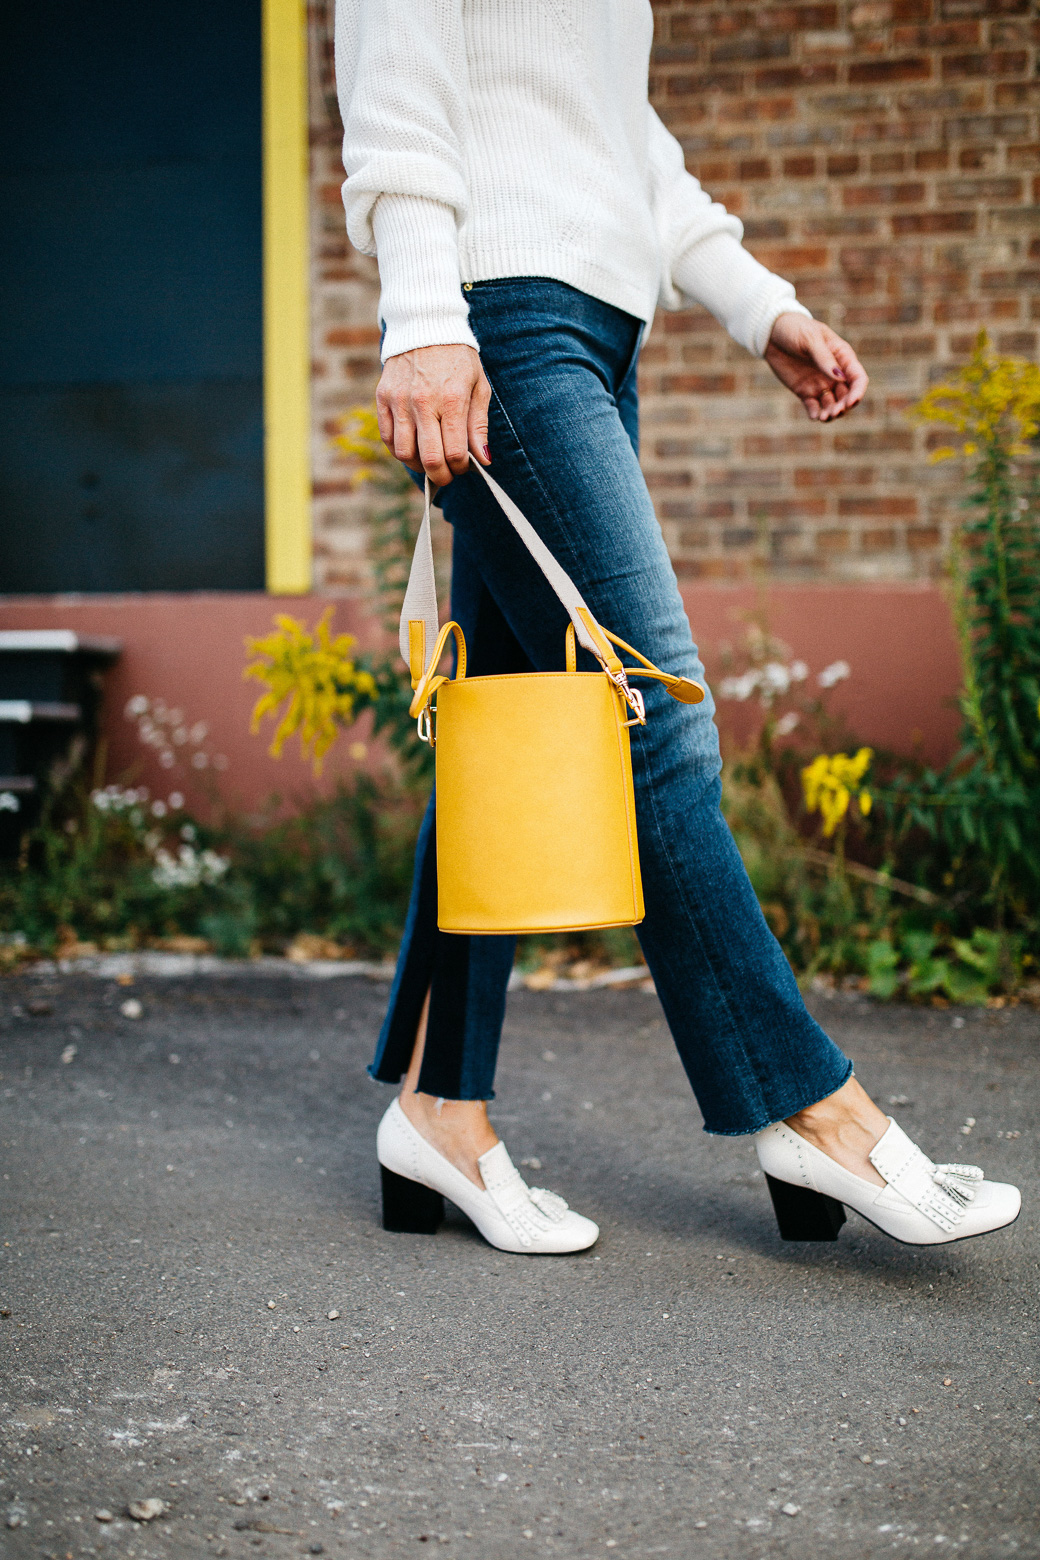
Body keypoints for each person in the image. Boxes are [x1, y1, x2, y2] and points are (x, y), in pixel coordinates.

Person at [334, 0, 1021, 1255]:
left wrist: (758, 304)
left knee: (509, 725)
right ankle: (811, 1111)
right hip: (501, 324)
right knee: (649, 711)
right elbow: (397, 84)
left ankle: (439, 1107)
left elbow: (621, 135)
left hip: (594, 332)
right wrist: (423, 321)